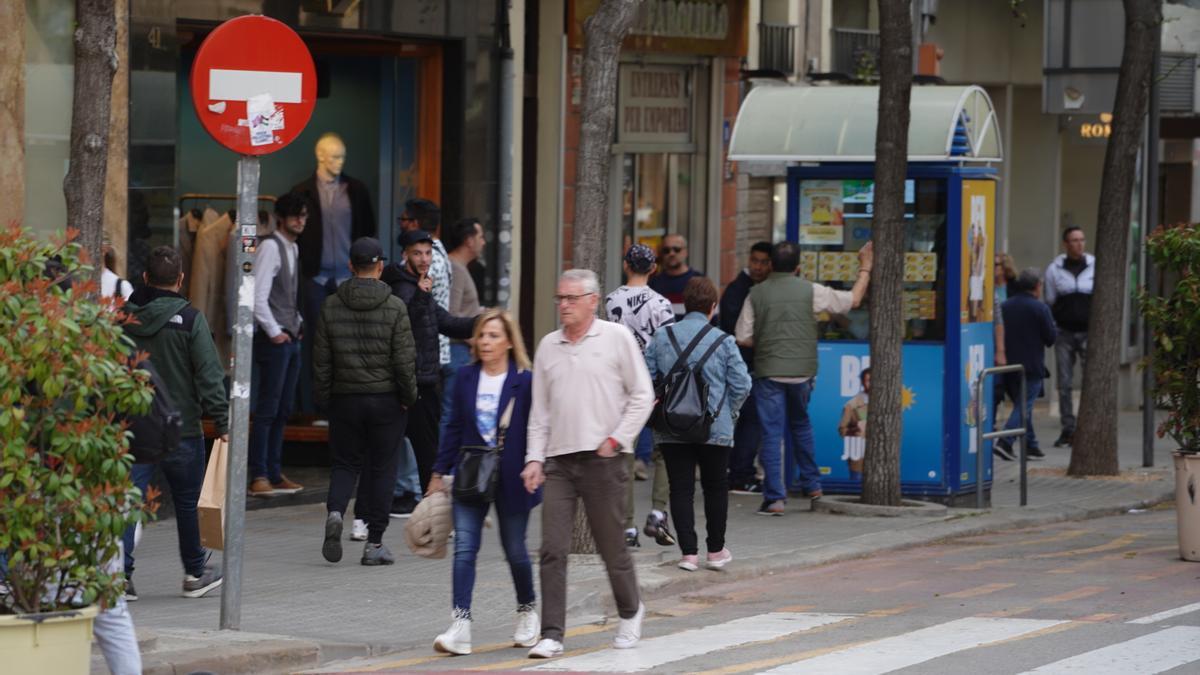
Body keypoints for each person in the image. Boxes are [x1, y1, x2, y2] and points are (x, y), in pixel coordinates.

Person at [521, 270, 655, 658]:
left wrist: (618, 438)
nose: (563, 305)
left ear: (593, 300)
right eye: (559, 298)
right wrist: (534, 459)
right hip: (560, 462)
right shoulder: (548, 346)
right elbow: (539, 413)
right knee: (551, 548)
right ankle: (552, 633)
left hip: (604, 459)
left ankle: (631, 611)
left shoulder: (616, 338)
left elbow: (642, 394)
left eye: (571, 298)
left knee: (611, 546)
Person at [427, 310, 542, 656]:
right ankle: (460, 625)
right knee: (464, 548)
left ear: (509, 341)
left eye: (493, 335)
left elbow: (538, 425)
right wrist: (437, 472)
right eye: (482, 335)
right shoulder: (464, 377)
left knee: (515, 550)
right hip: (470, 472)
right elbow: (452, 426)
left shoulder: (525, 380)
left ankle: (527, 610)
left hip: (512, 475)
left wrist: (537, 463)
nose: (486, 342)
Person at [736, 241, 873, 515]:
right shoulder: (811, 291)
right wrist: (865, 267)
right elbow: (853, 301)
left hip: (769, 373)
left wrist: (767, 344)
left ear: (772, 265)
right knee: (800, 425)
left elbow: (742, 336)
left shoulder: (755, 294)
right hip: (802, 373)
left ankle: (775, 498)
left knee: (772, 434)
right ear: (798, 267)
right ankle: (813, 486)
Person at [122, 246, 226, 598]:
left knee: (128, 503)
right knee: (186, 501)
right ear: (181, 280)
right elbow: (209, 376)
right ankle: (195, 573)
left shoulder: (124, 320)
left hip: (133, 428)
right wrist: (223, 422)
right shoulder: (192, 320)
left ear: (146, 279)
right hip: (182, 428)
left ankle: (120, 577)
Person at [315, 237, 418, 566]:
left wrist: (324, 399)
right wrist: (408, 397)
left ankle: (335, 511)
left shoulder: (331, 305)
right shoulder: (395, 307)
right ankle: (374, 543)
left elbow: (321, 361)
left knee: (345, 464)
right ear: (380, 267)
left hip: (345, 400)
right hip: (386, 400)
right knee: (383, 467)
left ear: (350, 266)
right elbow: (404, 361)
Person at [645, 277, 751, 572]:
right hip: (714, 427)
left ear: (685, 305)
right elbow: (742, 384)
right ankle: (715, 552)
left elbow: (646, 378)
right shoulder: (725, 341)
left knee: (680, 489)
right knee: (716, 487)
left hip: (671, 425)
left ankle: (688, 554)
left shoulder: (663, 337)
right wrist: (730, 413)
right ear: (713, 307)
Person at [381, 229, 479, 497]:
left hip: (421, 381)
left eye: (427, 253)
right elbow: (404, 326)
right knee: (423, 453)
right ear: (405, 256)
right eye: (417, 253)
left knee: (413, 450)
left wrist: (481, 323)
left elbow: (445, 322)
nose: (424, 259)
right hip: (412, 385)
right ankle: (427, 511)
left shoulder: (417, 285)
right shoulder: (402, 288)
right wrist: (423, 295)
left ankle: (377, 516)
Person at [292, 132, 377, 415]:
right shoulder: (302, 192)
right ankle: (314, 407)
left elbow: (367, 230)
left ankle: (346, 406)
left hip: (347, 276)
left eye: (343, 156)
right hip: (314, 277)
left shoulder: (356, 190)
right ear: (320, 156)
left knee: (350, 341)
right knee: (316, 342)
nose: (340, 162)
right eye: (335, 156)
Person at [604, 243, 676, 549]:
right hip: (654, 384)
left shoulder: (610, 301)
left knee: (624, 454)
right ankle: (658, 512)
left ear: (625, 265)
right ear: (654, 269)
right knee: (664, 451)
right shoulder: (662, 304)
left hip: (621, 384)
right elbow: (669, 347)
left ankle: (628, 527)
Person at [391, 198, 454, 515]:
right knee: (417, 436)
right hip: (425, 362)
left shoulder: (430, 268)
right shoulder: (433, 262)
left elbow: (427, 318)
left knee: (422, 437)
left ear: (415, 225)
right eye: (419, 253)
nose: (423, 258)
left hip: (425, 364)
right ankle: (413, 492)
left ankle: (412, 491)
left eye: (405, 219)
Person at [249, 193, 307, 497]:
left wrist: (296, 322)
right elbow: (258, 296)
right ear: (281, 217)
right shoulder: (270, 246)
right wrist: (274, 331)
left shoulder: (292, 248)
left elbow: (285, 295)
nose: (300, 220)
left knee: (283, 408)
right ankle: (259, 473)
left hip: (288, 334)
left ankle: (272, 471)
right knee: (268, 408)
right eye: (295, 215)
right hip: (276, 339)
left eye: (303, 215)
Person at [719, 241, 772, 494]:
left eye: (764, 262)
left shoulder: (757, 289)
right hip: (743, 366)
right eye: (755, 261)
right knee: (750, 421)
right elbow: (733, 330)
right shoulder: (738, 290)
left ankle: (739, 471)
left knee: (748, 421)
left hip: (750, 365)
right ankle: (740, 473)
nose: (759, 267)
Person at [996, 268, 1058, 461]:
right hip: (1031, 366)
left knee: (1021, 406)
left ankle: (1031, 445)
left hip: (1008, 365)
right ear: (1037, 286)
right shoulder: (1040, 308)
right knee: (1024, 405)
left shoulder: (1005, 306)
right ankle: (1005, 442)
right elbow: (1050, 338)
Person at [1043, 227, 1094, 448]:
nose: (1079, 244)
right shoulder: (1054, 269)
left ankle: (1088, 427)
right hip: (1064, 332)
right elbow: (1050, 300)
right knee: (1064, 382)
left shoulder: (1094, 265)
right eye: (1074, 240)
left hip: (1089, 331)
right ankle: (1068, 428)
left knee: (1090, 381)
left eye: (1082, 240)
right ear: (1066, 244)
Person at [442, 217, 486, 436]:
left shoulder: (459, 267)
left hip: (459, 350)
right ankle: (442, 468)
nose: (484, 242)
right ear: (469, 240)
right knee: (451, 413)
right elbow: (452, 314)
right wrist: (477, 337)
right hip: (456, 350)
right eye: (481, 236)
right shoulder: (455, 269)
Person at [649, 233, 704, 319]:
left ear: (686, 252)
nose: (671, 253)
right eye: (666, 250)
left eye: (676, 249)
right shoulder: (654, 284)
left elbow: (711, 317)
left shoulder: (700, 282)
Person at [992, 252, 1018, 423]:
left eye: (996, 265)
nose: (992, 268)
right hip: (992, 340)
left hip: (1012, 340)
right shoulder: (988, 287)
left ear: (1004, 268)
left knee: (1015, 388)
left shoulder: (1014, 288)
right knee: (996, 387)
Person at [838, 368, 870, 480]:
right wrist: (855, 429)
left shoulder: (886, 404)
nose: (872, 383)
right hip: (859, 460)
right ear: (862, 382)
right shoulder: (852, 405)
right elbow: (842, 429)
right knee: (856, 493)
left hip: (881, 461)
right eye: (868, 380)